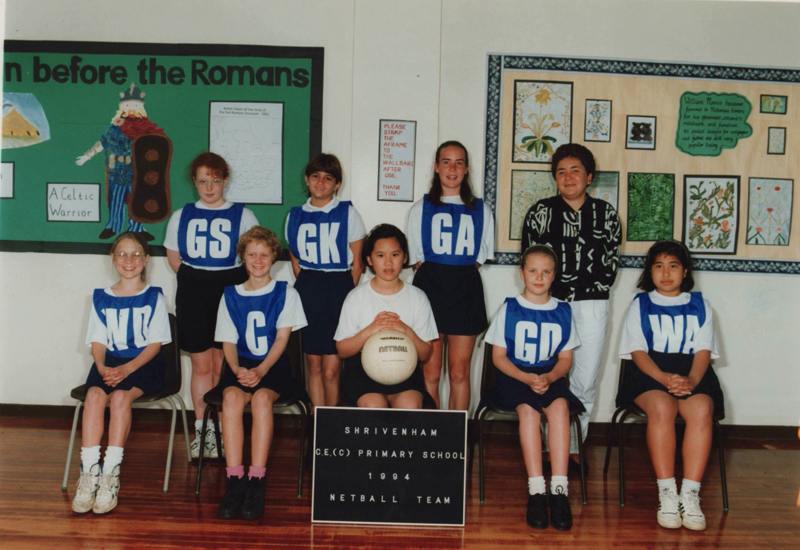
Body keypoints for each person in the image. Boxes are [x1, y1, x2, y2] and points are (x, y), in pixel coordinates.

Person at [520, 143, 620, 469]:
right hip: (550, 305)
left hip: (592, 304)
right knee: (547, 373)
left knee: (586, 376)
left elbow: (609, 265)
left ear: (589, 176)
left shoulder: (605, 214)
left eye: (575, 170)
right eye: (561, 171)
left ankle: (573, 447)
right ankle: (546, 446)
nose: (568, 177)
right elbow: (529, 262)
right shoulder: (540, 212)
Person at [618, 240, 722, 531]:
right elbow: (637, 352)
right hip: (649, 373)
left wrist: (690, 381)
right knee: (663, 407)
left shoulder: (702, 305)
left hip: (692, 373)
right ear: (650, 271)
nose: (666, 273)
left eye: (673, 266)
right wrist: (664, 379)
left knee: (701, 409)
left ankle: (690, 494)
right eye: (659, 266)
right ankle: (667, 491)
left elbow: (703, 352)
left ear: (685, 271)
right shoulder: (640, 304)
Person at [163, 152, 259, 458]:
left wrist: (224, 282)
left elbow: (254, 257)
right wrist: (197, 281)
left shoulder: (243, 215)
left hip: (228, 288)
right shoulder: (181, 215)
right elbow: (175, 258)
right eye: (203, 181)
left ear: (225, 180)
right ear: (194, 182)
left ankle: (221, 429)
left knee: (223, 362)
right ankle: (202, 430)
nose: (209, 187)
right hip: (193, 290)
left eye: (215, 180)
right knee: (201, 364)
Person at [72, 232, 171, 514]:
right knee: (93, 395)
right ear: (113, 259)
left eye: (136, 254)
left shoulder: (154, 297)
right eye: (123, 254)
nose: (129, 260)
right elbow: (98, 341)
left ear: (147, 260)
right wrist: (102, 366)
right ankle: (89, 472)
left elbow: (155, 345)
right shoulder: (101, 297)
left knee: (119, 399)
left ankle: (110, 475)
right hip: (109, 362)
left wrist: (127, 369)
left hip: (143, 363)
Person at [484, 245, 582, 530]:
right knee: (529, 411)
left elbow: (566, 359)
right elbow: (498, 357)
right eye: (533, 271)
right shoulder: (510, 308)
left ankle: (559, 489)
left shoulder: (563, 310)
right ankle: (537, 489)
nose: (539, 278)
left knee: (560, 408)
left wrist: (550, 377)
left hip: (549, 375)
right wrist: (527, 378)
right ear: (522, 273)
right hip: (514, 376)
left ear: (554, 276)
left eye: (546, 272)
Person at [213, 226, 307, 519]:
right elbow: (228, 341)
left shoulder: (286, 293)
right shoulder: (229, 295)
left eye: (264, 254)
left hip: (273, 364)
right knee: (230, 398)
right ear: (242, 257)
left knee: (262, 400)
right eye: (251, 254)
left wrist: (262, 369)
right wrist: (238, 369)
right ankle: (234, 479)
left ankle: (256, 480)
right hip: (239, 363)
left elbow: (282, 340)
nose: (258, 260)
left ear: (273, 257)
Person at [406, 140, 495, 409]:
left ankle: (457, 439)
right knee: (430, 373)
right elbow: (417, 259)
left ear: (467, 169)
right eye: (446, 161)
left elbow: (479, 258)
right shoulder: (420, 208)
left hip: (465, 290)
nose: (452, 168)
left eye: (458, 162)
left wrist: (456, 272)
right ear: (436, 167)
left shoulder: (482, 209)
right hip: (430, 288)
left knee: (459, 372)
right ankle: (434, 437)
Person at [286, 153, 366, 408]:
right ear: (307, 180)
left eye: (328, 178)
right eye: (316, 177)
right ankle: (316, 422)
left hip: (338, 289)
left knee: (332, 367)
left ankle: (331, 425)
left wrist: (346, 294)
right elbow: (296, 262)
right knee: (313, 365)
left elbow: (357, 261)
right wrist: (311, 285)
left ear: (337, 184)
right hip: (308, 288)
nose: (321, 183)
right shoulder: (295, 215)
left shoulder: (348, 213)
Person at [335, 224, 438, 409]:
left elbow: (425, 354)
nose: (388, 263)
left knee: (410, 405)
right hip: (362, 372)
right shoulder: (356, 297)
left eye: (395, 255)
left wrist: (406, 330)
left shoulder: (418, 297)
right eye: (380, 255)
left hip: (405, 370)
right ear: (369, 259)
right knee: (373, 405)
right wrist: (371, 330)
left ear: (405, 257)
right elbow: (342, 349)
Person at [75, 83, 167, 241]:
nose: (131, 108)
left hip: (139, 172)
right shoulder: (115, 127)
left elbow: (156, 149)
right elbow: (103, 143)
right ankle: (113, 226)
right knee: (116, 199)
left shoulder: (147, 128)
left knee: (138, 200)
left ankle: (137, 228)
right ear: (122, 106)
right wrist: (87, 156)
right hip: (117, 170)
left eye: (134, 105)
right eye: (128, 105)